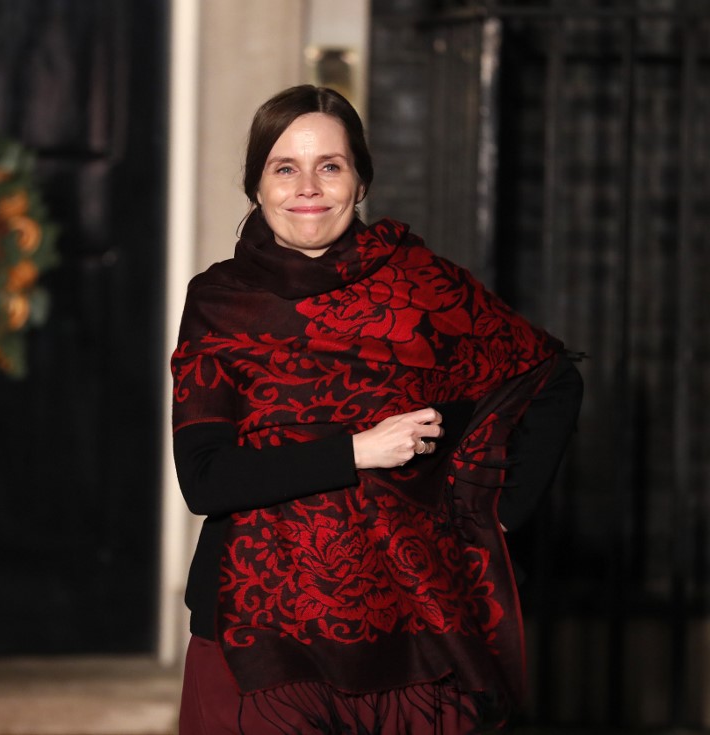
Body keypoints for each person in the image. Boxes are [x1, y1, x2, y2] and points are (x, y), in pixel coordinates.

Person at [170, 85, 583, 734]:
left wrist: (492, 516)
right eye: (285, 168)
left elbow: (550, 376)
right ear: (256, 186)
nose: (308, 187)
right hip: (253, 635)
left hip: (410, 632)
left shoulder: (425, 287)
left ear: (361, 181)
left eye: (330, 166)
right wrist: (358, 450)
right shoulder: (219, 301)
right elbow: (206, 479)